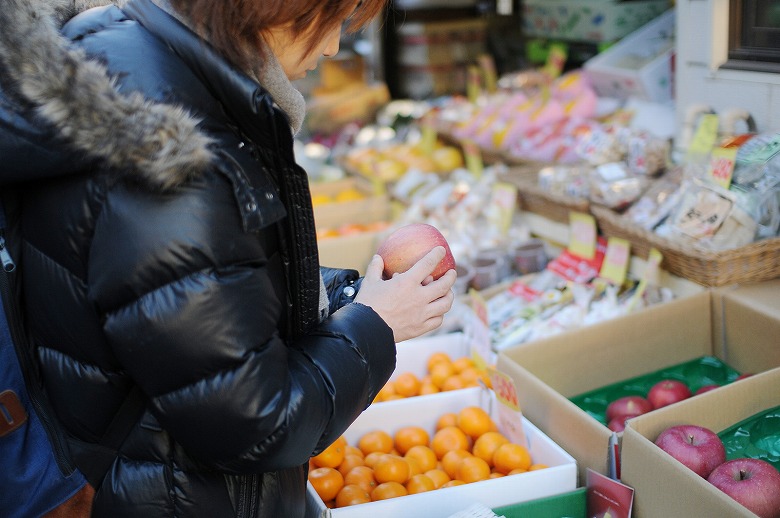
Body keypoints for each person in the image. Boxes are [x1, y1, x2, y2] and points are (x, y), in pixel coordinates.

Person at [0, 0, 457, 516]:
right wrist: (377, 325)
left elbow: (192, 290)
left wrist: (340, 298)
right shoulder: (174, 153)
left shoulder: (134, 59)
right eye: (333, 18)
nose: (332, 46)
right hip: (165, 497)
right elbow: (253, 424)